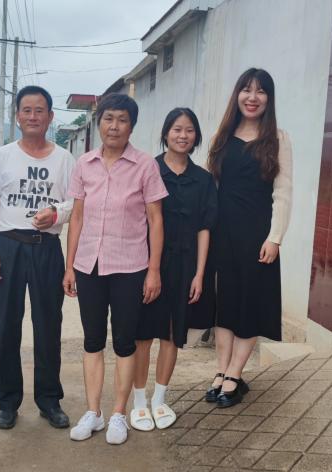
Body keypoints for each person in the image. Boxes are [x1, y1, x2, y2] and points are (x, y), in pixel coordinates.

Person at [63, 93, 167, 445]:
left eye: (122, 120)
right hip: (88, 265)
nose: (114, 126)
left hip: (130, 267)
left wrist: (153, 270)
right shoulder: (84, 164)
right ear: (99, 123)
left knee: (124, 342)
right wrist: (70, 266)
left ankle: (119, 413)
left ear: (131, 126)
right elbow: (77, 217)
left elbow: (155, 220)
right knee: (92, 341)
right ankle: (94, 412)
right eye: (108, 118)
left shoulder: (144, 165)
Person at [0, 85, 73, 430]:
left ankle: (49, 400)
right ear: (17, 116)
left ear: (50, 116)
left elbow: (76, 203)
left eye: (40, 110)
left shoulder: (64, 159)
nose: (33, 116)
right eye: (27, 110)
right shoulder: (1, 156)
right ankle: (6, 401)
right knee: (6, 324)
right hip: (9, 245)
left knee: (48, 325)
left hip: (47, 247)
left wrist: (56, 213)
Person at [205, 68, 293, 408]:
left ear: (269, 99)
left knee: (250, 305)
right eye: (246, 89)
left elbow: (283, 193)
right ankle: (221, 370)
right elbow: (211, 188)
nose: (252, 97)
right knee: (226, 304)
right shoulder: (221, 138)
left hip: (258, 237)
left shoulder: (278, 140)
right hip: (222, 234)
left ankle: (235, 374)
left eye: (261, 91)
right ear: (237, 95)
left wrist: (275, 238)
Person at [131, 108, 216, 432]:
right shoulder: (147, 170)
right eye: (177, 129)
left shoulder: (204, 180)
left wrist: (199, 273)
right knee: (142, 335)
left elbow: (205, 228)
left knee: (172, 334)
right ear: (166, 133)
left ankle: (159, 399)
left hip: (185, 265)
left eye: (189, 130)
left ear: (196, 136)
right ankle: (139, 401)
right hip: (148, 263)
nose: (183, 135)